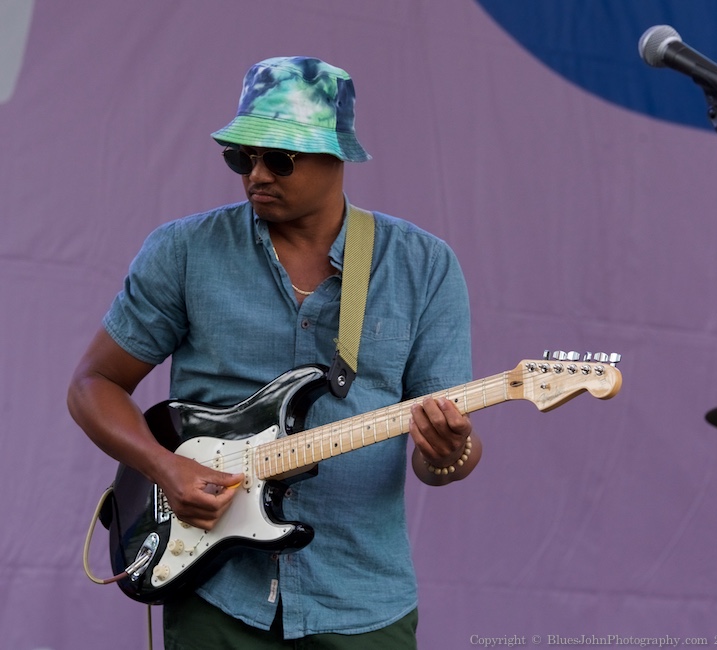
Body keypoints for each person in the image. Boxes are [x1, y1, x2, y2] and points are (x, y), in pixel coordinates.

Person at [68, 55, 482, 649]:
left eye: (279, 159)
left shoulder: (424, 266)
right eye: (242, 157)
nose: (256, 174)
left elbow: (440, 462)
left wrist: (449, 450)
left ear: (336, 156)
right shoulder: (185, 251)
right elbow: (92, 385)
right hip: (216, 595)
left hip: (362, 599)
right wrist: (167, 468)